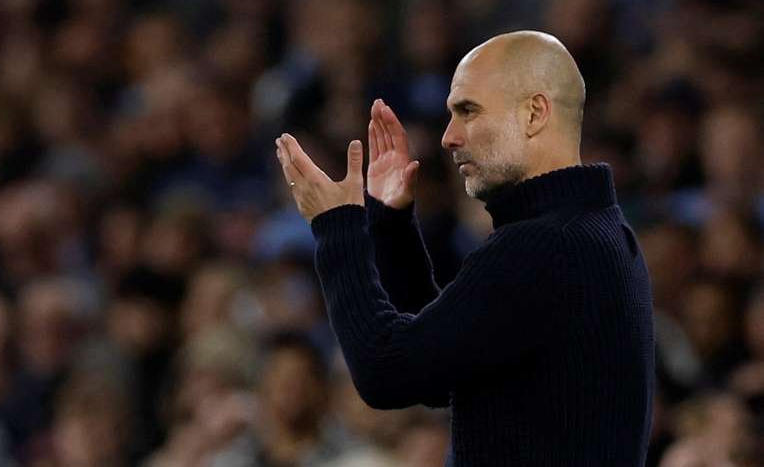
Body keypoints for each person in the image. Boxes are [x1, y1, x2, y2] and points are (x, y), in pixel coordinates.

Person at [274, 31, 655, 466]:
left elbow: (384, 372)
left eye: (468, 111)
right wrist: (390, 223)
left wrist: (335, 226)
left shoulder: (544, 246)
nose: (448, 137)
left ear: (534, 113)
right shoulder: (595, 230)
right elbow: (437, 368)